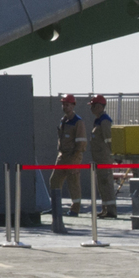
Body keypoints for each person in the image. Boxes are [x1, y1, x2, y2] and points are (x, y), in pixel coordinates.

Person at [50, 94, 87, 233]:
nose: (65, 107)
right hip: (62, 156)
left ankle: (75, 209)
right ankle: (55, 207)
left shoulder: (78, 122)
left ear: (73, 106)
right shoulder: (63, 120)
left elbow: (81, 142)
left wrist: (75, 158)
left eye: (67, 104)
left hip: (73, 156)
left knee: (73, 182)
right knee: (54, 180)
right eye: (64, 104)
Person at [89, 95, 116, 218]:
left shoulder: (104, 121)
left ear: (99, 106)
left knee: (106, 183)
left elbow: (109, 140)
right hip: (98, 158)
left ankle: (111, 211)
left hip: (104, 158)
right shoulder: (98, 120)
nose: (92, 109)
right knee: (101, 185)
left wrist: (114, 155)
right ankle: (105, 209)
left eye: (93, 106)